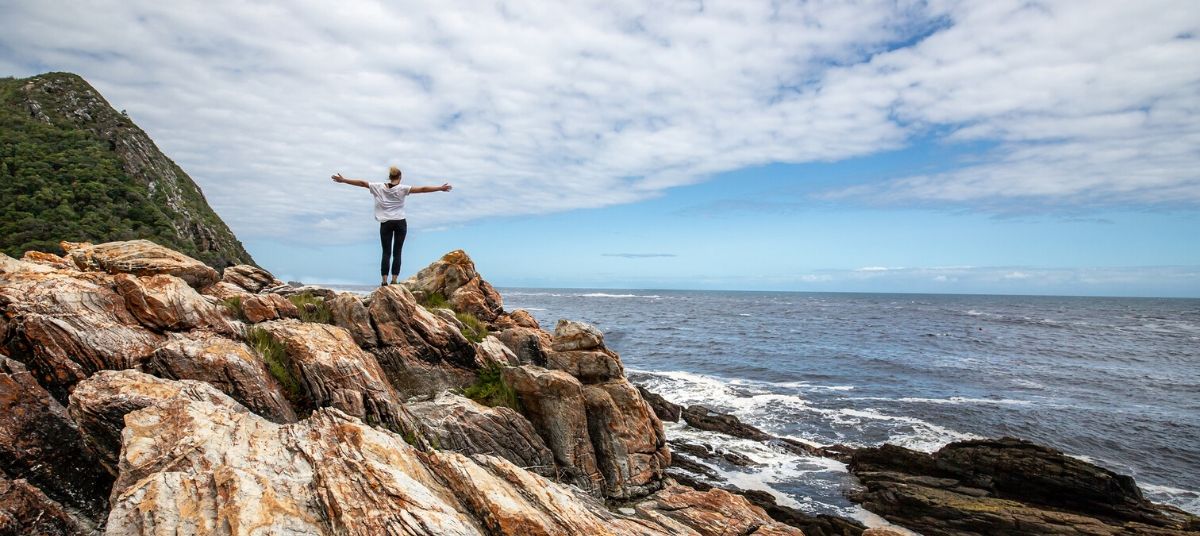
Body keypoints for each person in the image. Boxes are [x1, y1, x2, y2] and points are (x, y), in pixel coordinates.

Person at [331, 166, 452, 286]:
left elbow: (362, 183)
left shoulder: (378, 187)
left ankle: (384, 281)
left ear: (390, 177)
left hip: (386, 223)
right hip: (400, 222)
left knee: (386, 252)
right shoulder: (403, 188)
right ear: (400, 177)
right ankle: (394, 281)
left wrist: (344, 180)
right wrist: (440, 188)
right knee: (397, 252)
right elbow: (423, 189)